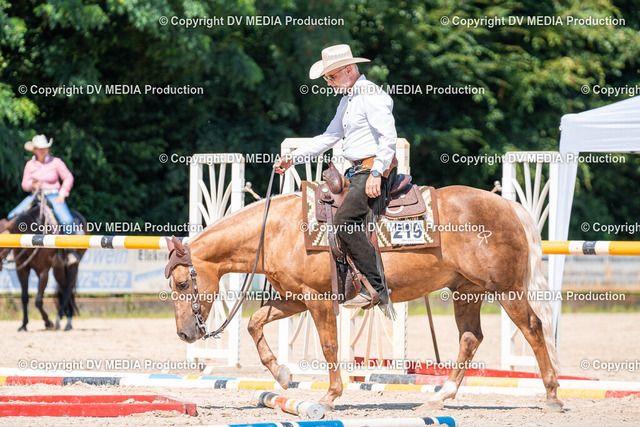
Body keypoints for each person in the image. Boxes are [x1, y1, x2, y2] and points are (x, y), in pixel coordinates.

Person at [274, 44, 398, 309]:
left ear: (349, 70)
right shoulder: (347, 100)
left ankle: (376, 288)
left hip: (372, 169)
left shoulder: (370, 94)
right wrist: (293, 158)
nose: (328, 83)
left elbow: (388, 137)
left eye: (331, 77)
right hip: (358, 170)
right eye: (327, 78)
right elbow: (329, 137)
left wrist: (377, 172)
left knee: (344, 220)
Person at [7, 135, 78, 264]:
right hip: (35, 195)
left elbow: (68, 177)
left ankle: (70, 251)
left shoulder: (56, 162)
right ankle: (13, 248)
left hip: (53, 195)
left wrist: (62, 193)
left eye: (45, 147)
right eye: (40, 148)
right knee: (12, 215)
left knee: (67, 220)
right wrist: (32, 184)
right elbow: (24, 184)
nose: (43, 150)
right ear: (34, 149)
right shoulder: (30, 164)